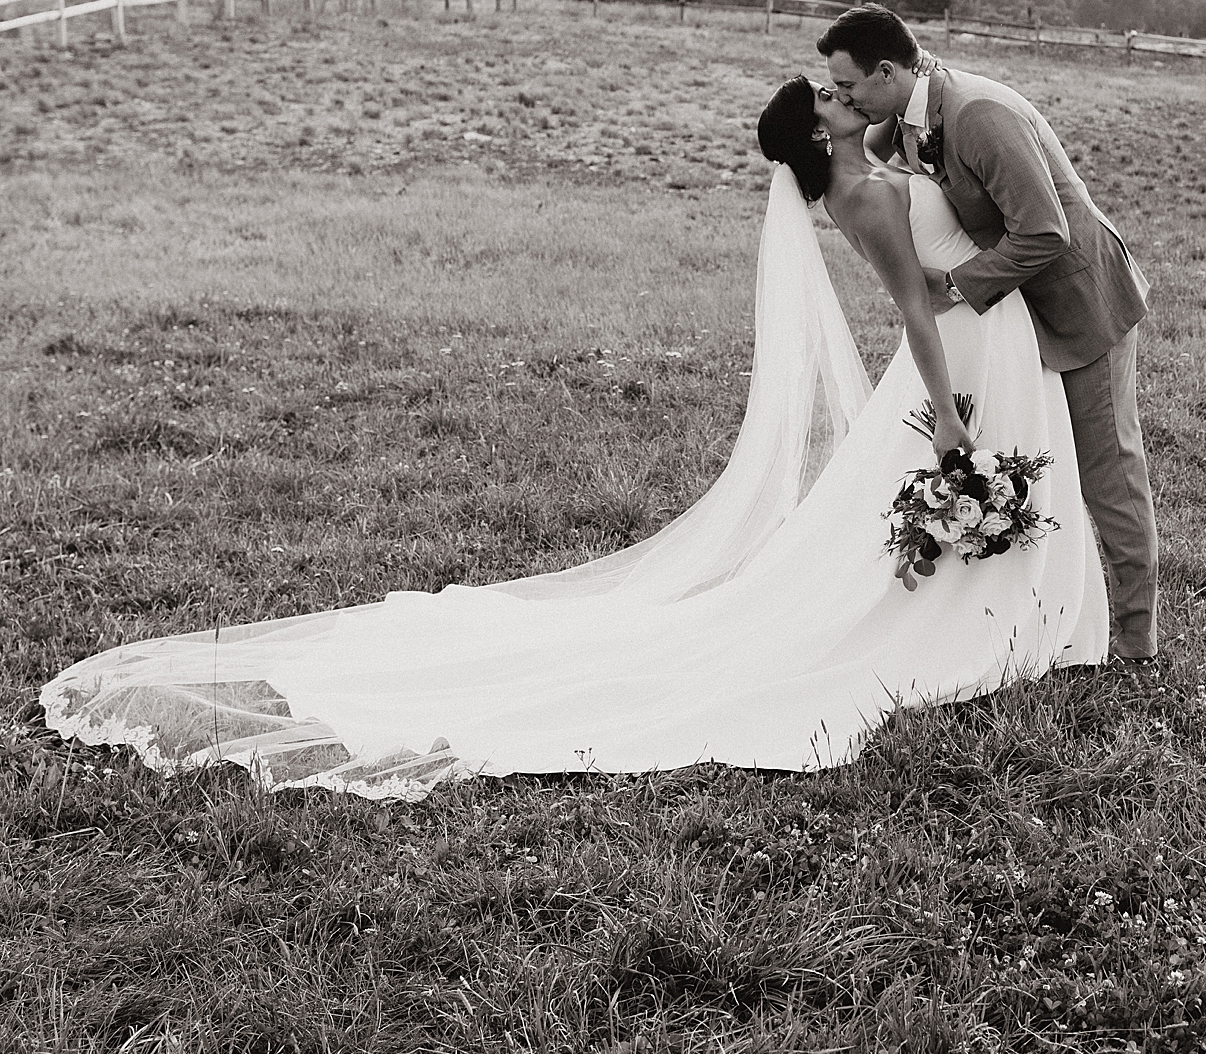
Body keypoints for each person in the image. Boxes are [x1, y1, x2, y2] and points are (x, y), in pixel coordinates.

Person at [38, 79, 1107, 801]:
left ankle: (1013, 612)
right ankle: (983, 619)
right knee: (932, 512)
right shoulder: (864, 197)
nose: (842, 97)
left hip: (990, 337)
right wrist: (950, 407)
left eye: (840, 83)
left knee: (957, 511)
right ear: (821, 133)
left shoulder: (866, 166)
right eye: (830, 97)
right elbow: (915, 310)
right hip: (957, 354)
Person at [816, 3, 1159, 665]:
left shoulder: (977, 116)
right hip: (1015, 317)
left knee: (1106, 471)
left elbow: (1045, 231)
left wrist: (956, 286)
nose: (845, 96)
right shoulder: (909, 113)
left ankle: (1138, 642)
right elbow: (882, 157)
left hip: (1080, 299)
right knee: (1032, 459)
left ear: (886, 72)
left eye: (850, 84)